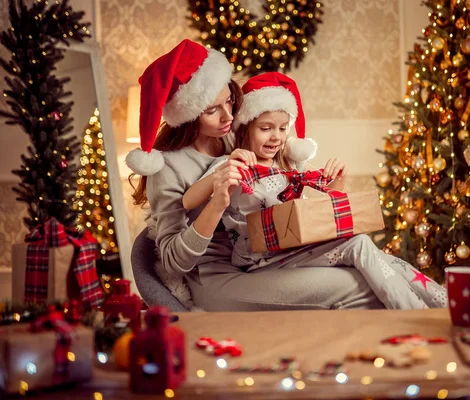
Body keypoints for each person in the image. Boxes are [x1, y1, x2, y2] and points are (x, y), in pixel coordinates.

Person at [126, 39, 386, 311]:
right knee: (357, 286)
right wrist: (216, 204)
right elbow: (171, 262)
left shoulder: (236, 137)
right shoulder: (167, 167)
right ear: (189, 113)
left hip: (265, 262)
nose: (228, 115)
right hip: (215, 279)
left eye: (229, 100)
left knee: (367, 272)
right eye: (212, 110)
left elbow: (284, 201)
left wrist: (331, 188)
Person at [182, 72, 448, 309]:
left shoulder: (287, 164)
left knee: (378, 255)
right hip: (258, 259)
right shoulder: (234, 163)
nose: (276, 137)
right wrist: (222, 176)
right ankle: (417, 314)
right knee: (359, 246)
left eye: (283, 129)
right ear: (246, 127)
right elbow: (188, 200)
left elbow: (328, 202)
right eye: (265, 129)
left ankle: (441, 303)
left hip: (291, 249)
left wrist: (336, 180)